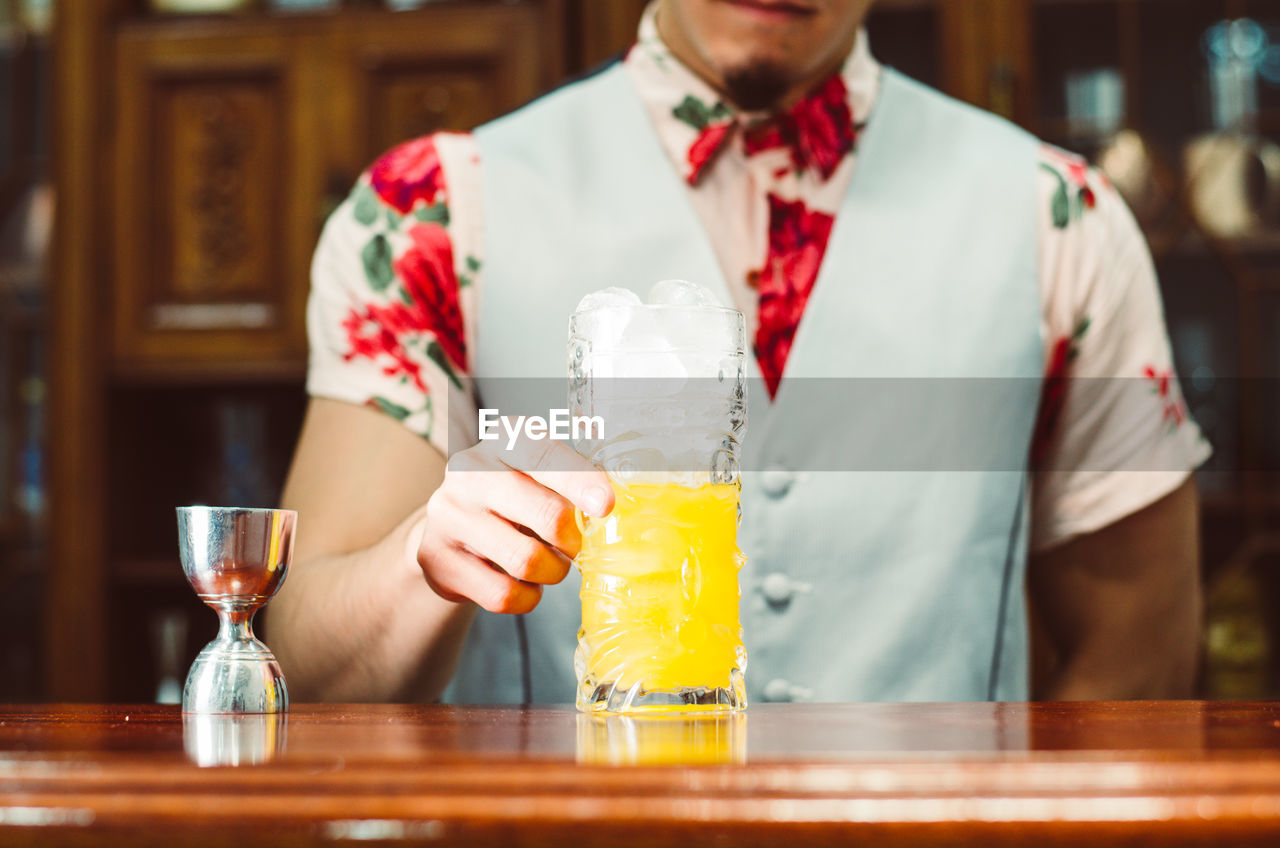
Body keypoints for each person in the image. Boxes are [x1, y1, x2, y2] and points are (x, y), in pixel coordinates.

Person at [267, 0, 1210, 704]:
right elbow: (308, 674)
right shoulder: (428, 214)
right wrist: (417, 560)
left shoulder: (1064, 223)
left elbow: (1143, 659)